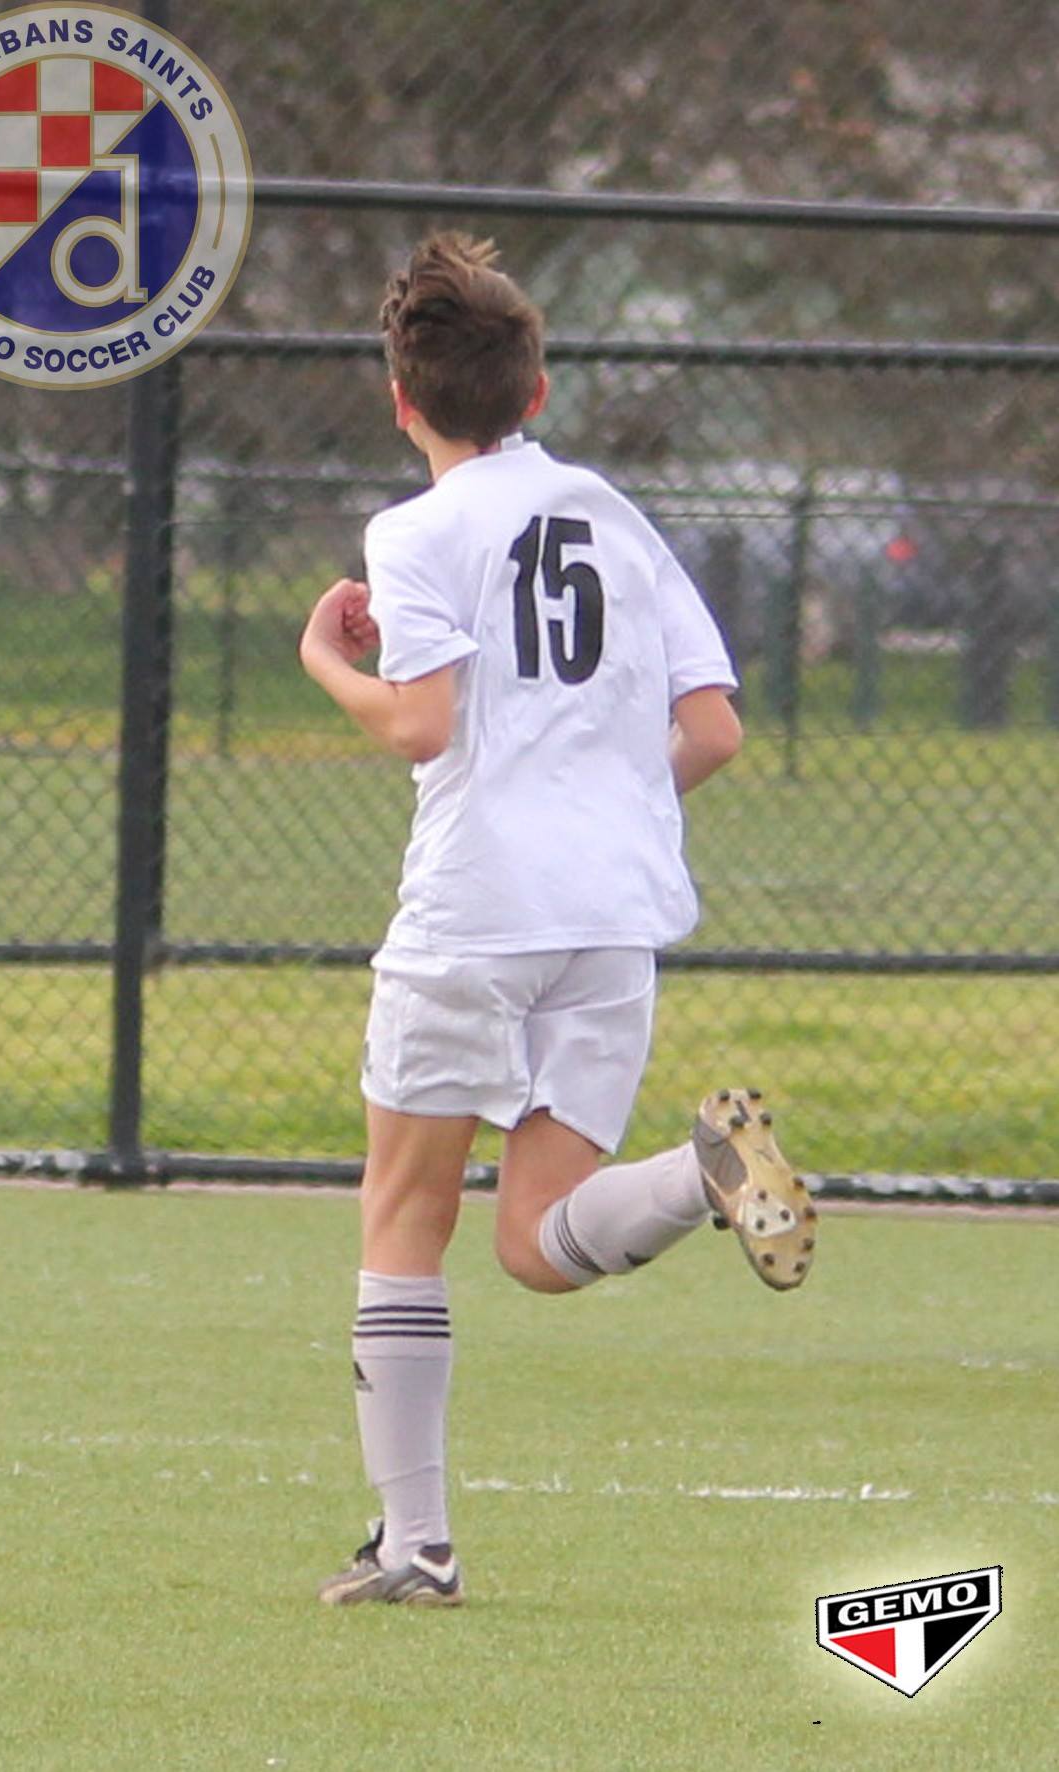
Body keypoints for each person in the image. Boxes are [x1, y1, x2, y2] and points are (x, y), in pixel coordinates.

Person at [298, 233, 815, 1608]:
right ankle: (700, 1171)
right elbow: (713, 730)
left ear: (400, 401)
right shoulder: (612, 513)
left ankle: (416, 1546)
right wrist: (601, 802)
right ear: (535, 393)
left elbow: (421, 724)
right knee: (536, 1242)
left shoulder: (413, 533)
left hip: (478, 909)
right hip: (612, 915)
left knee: (405, 1213)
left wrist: (323, 661)